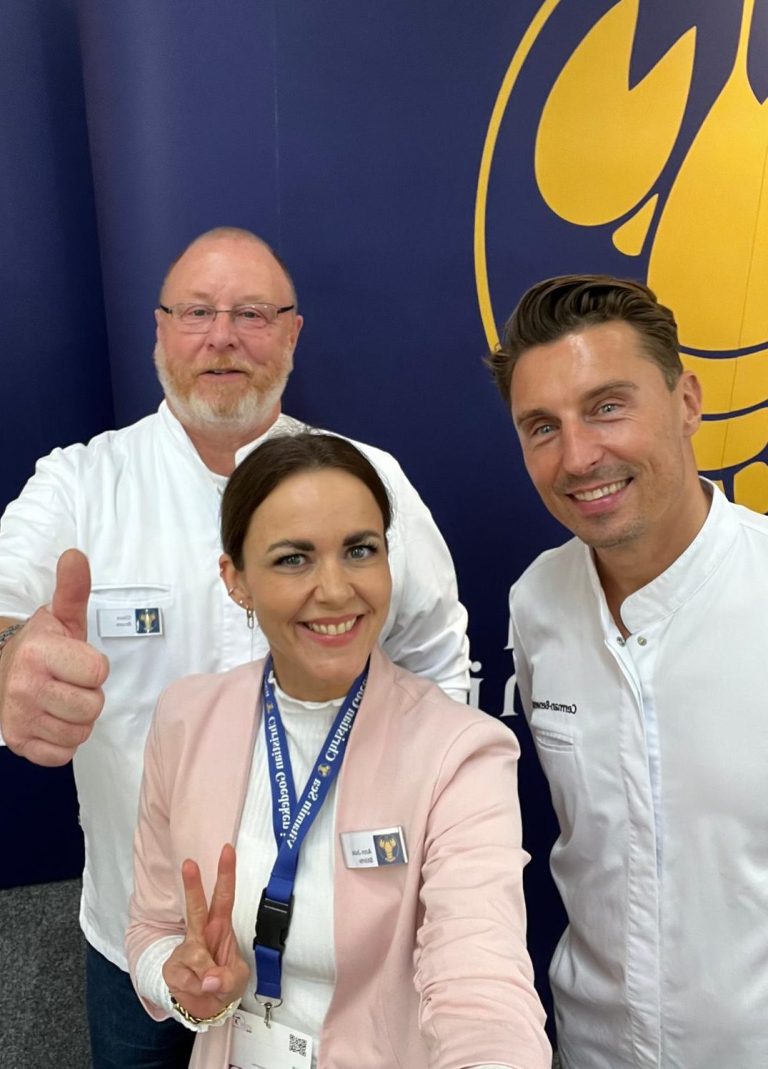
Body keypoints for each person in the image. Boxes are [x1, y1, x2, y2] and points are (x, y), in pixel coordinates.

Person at [0, 227, 470, 1068]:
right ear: (159, 331)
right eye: (197, 313)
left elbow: (435, 654)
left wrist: (440, 822)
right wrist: (8, 661)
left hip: (338, 944)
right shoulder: (80, 483)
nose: (222, 336)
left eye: (252, 313)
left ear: (292, 334)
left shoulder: (372, 481)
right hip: (137, 932)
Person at [126, 431, 551, 1069]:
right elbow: (154, 927)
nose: (334, 590)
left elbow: (481, 985)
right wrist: (181, 983)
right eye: (294, 559)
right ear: (236, 579)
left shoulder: (460, 754)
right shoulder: (187, 718)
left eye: (360, 550)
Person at [486, 274, 768, 1069]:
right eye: (542, 426)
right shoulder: (536, 601)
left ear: (687, 401)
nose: (578, 456)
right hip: (590, 1049)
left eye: (608, 406)